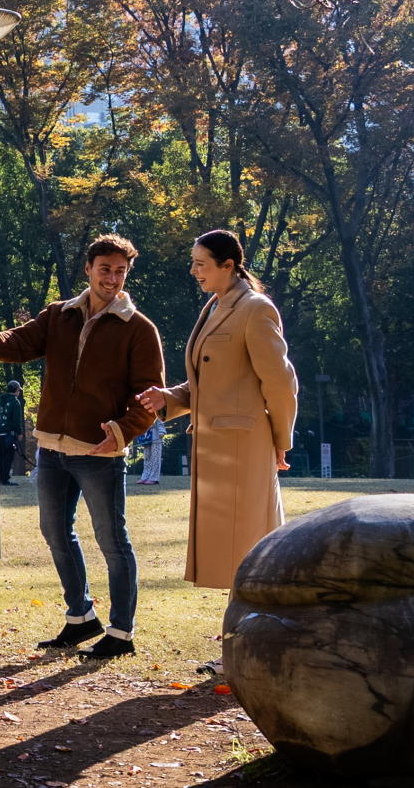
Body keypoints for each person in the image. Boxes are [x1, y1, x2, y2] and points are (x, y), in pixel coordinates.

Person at [0, 234, 164, 659]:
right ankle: (80, 617)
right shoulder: (59, 315)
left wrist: (121, 432)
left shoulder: (139, 329)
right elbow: (19, 342)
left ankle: (122, 632)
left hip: (100, 453)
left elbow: (150, 397)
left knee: (113, 541)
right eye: (104, 269)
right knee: (55, 532)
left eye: (120, 271)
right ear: (88, 269)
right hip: (52, 448)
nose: (112, 278)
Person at [136, 229, 298, 597]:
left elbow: (281, 383)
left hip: (243, 447)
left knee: (248, 547)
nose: (194, 271)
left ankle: (249, 632)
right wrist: (170, 398)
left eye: (200, 264)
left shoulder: (255, 308)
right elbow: (212, 380)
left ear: (228, 266)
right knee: (231, 551)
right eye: (193, 263)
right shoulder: (214, 305)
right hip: (217, 447)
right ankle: (239, 633)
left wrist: (280, 440)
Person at [0, 380, 26, 486]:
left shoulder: (0, 400)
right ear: (17, 390)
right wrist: (20, 432)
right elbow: (16, 420)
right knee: (8, 457)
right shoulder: (15, 402)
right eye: (19, 390)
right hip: (9, 434)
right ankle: (5, 479)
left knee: (0, 457)